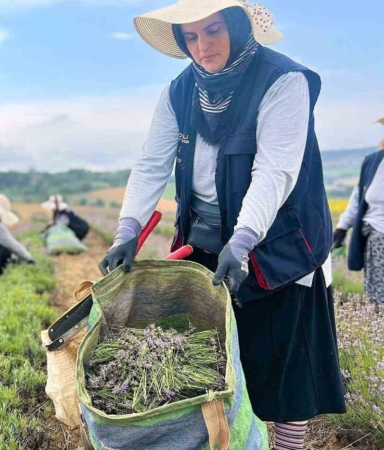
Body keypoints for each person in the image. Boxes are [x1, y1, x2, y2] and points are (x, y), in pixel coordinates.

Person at [98, 1, 345, 448]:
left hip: (277, 247)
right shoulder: (180, 91)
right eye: (190, 37)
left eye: (212, 31)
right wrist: (127, 231)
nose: (202, 47)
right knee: (220, 364)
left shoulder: (284, 80)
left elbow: (275, 171)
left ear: (236, 26)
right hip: (210, 246)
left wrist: (245, 239)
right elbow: (151, 164)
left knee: (285, 377)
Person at [333, 138, 384, 304]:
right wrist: (342, 227)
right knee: (376, 298)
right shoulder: (373, 161)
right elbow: (358, 198)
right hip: (374, 239)